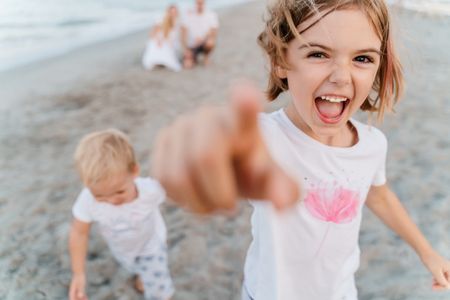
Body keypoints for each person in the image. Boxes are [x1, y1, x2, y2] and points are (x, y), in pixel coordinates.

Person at [151, 0, 450, 299]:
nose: (341, 77)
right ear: (281, 61)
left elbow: (379, 195)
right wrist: (194, 153)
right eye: (318, 54)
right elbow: (219, 147)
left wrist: (427, 253)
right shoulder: (264, 137)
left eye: (362, 58)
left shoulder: (372, 145)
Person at [69, 129, 174, 300]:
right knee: (134, 267)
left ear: (134, 171)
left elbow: (180, 192)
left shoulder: (150, 190)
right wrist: (78, 273)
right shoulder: (87, 200)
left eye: (119, 192)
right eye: (100, 196)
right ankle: (141, 275)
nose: (111, 200)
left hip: (151, 247)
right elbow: (79, 232)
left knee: (159, 292)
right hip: (122, 249)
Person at [142, 4, 182, 72]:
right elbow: (153, 33)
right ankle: (157, 62)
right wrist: (159, 40)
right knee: (156, 45)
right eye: (171, 12)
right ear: (168, 12)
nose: (173, 14)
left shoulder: (178, 22)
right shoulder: (162, 20)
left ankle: (162, 62)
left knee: (167, 47)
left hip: (171, 41)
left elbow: (175, 36)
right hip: (160, 39)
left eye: (174, 12)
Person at [181, 0, 219, 68]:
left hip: (204, 43)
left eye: (201, 3)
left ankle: (206, 57)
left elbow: (214, 31)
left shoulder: (210, 14)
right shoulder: (189, 14)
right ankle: (193, 57)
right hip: (191, 44)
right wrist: (186, 48)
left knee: (210, 43)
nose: (199, 5)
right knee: (187, 65)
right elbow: (183, 32)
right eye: (198, 3)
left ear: (204, 3)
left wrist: (202, 39)